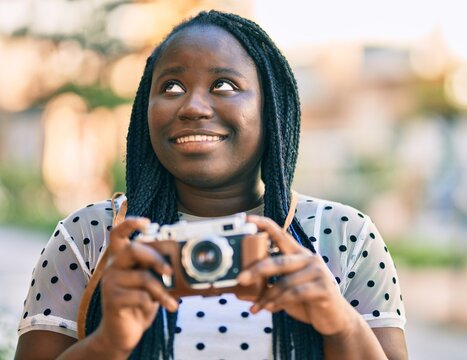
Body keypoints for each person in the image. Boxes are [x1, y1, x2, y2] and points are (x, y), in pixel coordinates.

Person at [14, 10, 407, 360]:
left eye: (223, 85)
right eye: (171, 87)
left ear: (270, 107)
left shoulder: (343, 236)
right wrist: (110, 342)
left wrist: (340, 324)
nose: (192, 107)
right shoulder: (93, 235)